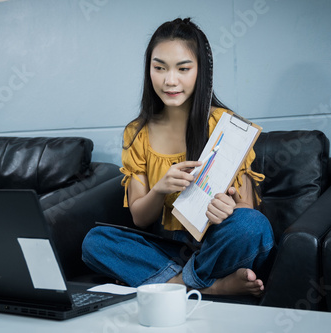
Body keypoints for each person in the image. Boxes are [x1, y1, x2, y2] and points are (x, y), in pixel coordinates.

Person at [82, 18, 274, 296]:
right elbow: (140, 218)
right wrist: (160, 188)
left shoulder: (226, 125)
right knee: (95, 242)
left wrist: (229, 208)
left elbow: (246, 208)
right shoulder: (137, 133)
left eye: (183, 69)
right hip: (171, 248)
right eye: (159, 68)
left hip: (218, 243)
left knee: (252, 225)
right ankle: (211, 287)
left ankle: (175, 283)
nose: (170, 80)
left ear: (201, 72)